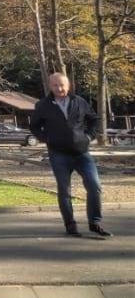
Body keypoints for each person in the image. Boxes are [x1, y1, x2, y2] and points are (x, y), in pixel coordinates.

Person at [30, 73, 111, 237]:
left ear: (68, 86)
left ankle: (94, 222)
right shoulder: (43, 105)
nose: (59, 88)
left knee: (94, 186)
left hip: (82, 153)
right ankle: (70, 225)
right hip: (58, 155)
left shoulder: (79, 101)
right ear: (50, 86)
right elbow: (34, 127)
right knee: (65, 190)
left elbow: (94, 120)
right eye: (55, 85)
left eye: (62, 85)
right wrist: (47, 139)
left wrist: (88, 137)